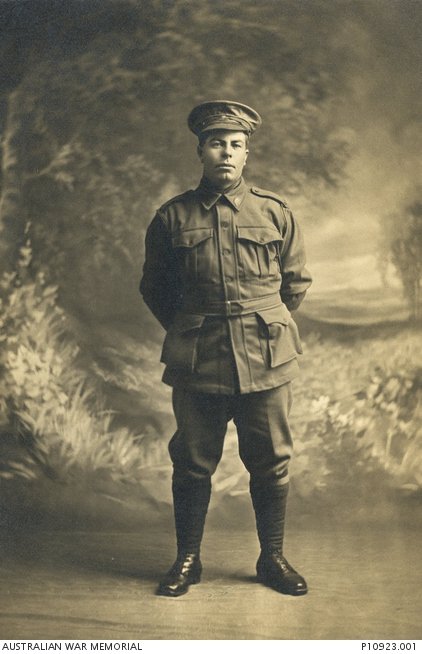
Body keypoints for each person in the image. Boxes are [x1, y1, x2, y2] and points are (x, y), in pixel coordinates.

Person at [140, 100, 312, 598]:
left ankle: (272, 557)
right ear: (201, 151)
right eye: (217, 143)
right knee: (192, 462)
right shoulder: (172, 217)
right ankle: (188, 559)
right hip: (200, 360)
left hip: (265, 358)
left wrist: (264, 323)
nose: (227, 153)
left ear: (247, 153)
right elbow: (154, 288)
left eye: (236, 145)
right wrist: (191, 326)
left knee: (272, 461)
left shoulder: (275, 212)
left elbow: (296, 284)